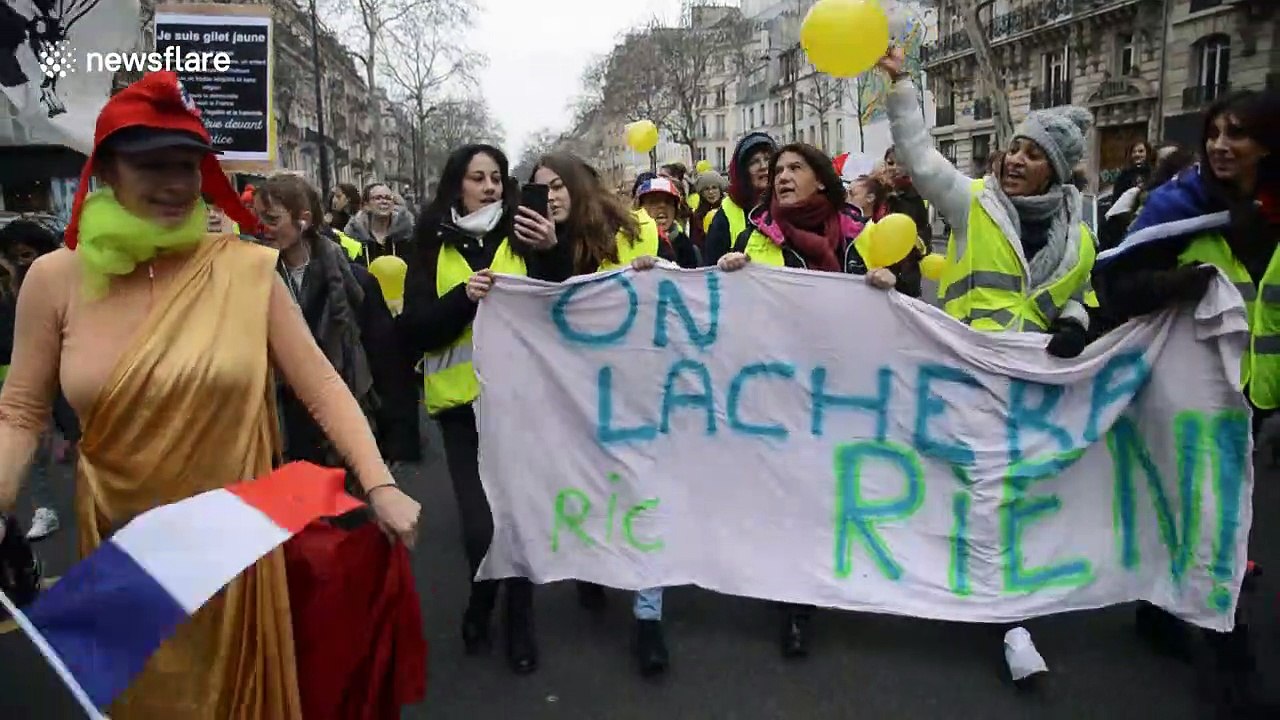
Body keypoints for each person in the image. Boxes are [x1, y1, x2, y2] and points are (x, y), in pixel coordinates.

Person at [0, 72, 420, 719]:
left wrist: (380, 483)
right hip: (125, 553)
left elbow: (322, 384)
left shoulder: (247, 271)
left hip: (236, 546)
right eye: (152, 165)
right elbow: (21, 412)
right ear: (107, 169)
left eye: (188, 165)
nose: (176, 183)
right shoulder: (53, 279)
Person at [878, 46, 1098, 686]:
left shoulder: (1081, 236)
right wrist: (902, 86)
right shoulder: (972, 202)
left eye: (1031, 154)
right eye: (1013, 149)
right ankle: (1009, 623)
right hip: (967, 378)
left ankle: (992, 594)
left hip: (1036, 389)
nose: (1014, 160)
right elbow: (919, 157)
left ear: (1054, 170)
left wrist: (1076, 322)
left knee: (1012, 496)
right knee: (985, 495)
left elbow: (1084, 294)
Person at [1093, 89, 1278, 718]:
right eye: (1215, 133)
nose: (1223, 146)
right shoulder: (1179, 206)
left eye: (1239, 135)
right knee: (1218, 518)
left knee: (1187, 503)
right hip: (1194, 392)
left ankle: (1156, 612)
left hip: (1259, 390)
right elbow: (1115, 285)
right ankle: (1233, 665)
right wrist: (1176, 284)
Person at [398, 144, 564, 675]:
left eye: (496, 177)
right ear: (457, 186)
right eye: (478, 178)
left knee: (514, 521)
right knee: (480, 527)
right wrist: (463, 299)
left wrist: (554, 250)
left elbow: (562, 302)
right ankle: (480, 601)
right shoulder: (428, 245)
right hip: (460, 410)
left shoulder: (524, 235)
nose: (490, 187)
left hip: (519, 405)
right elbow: (415, 331)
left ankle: (520, 621)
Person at [525, 152, 665, 674]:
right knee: (587, 488)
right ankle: (592, 563)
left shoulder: (630, 233)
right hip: (568, 398)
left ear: (580, 186)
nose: (552, 196)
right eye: (541, 189)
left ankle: (649, 617)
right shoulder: (528, 244)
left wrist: (658, 273)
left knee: (644, 497)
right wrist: (544, 252)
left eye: (559, 186)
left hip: (634, 396)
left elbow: (675, 286)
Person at [252, 172, 420, 476]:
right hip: (281, 430)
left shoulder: (354, 282)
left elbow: (386, 360)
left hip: (344, 427)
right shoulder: (251, 279)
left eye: (272, 219)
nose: (262, 228)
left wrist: (397, 437)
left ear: (303, 220)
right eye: (258, 218)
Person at [719, 143, 923, 297]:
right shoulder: (750, 241)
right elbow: (733, 314)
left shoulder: (862, 234)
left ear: (820, 182)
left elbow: (910, 299)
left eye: (795, 168)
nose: (783, 177)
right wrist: (727, 276)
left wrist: (892, 284)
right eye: (778, 171)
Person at [0, 219, 77, 541]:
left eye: (26, 256)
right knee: (30, 452)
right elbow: (20, 411)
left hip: (69, 390)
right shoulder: (11, 295)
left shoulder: (67, 289)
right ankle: (45, 508)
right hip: (20, 385)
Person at [1100, 143, 1194, 250]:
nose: (1171, 165)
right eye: (1164, 161)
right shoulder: (1136, 194)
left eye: (1175, 159)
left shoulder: (1197, 195)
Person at [704, 132, 778, 265]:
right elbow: (711, 269)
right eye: (754, 162)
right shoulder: (725, 215)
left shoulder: (791, 204)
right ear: (743, 172)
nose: (763, 166)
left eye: (768, 159)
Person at [634, 176, 698, 268]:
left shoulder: (685, 244)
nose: (662, 206)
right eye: (653, 201)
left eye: (668, 202)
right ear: (639, 208)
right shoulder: (628, 240)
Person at [345, 182, 415, 263]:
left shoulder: (407, 235)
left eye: (388, 198)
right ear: (366, 205)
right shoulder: (353, 236)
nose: (384, 201)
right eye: (378, 198)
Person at [690, 170, 727, 252]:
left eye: (714, 188)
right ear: (702, 193)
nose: (711, 192)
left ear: (720, 190)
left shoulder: (727, 210)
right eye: (706, 189)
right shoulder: (697, 215)